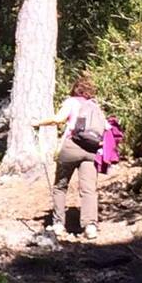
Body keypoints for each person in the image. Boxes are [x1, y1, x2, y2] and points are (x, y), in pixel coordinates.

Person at [32, 74, 107, 241]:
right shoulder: (95, 106)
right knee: (89, 189)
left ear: (75, 90)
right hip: (91, 150)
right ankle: (90, 226)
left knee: (60, 186)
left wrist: (38, 123)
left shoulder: (71, 102)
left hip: (71, 147)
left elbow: (58, 119)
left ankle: (59, 224)